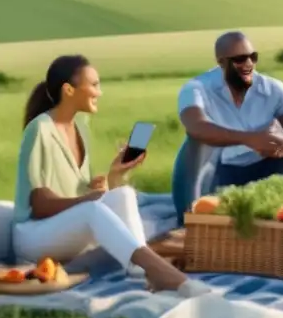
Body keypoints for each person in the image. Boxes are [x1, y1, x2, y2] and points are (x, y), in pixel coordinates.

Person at [11, 54, 193, 294]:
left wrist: (113, 177)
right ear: (68, 90)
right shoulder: (40, 129)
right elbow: (40, 204)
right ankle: (158, 270)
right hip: (33, 235)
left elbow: (77, 196)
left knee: (125, 194)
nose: (100, 92)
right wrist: (89, 199)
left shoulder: (81, 129)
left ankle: (138, 269)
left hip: (64, 229)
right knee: (92, 209)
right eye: (94, 85)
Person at [171, 31, 283, 219]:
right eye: (240, 59)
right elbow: (196, 126)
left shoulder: (273, 89)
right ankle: (189, 217)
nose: (248, 64)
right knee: (199, 141)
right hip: (217, 175)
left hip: (261, 173)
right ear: (221, 62)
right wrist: (250, 139)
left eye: (253, 57)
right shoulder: (197, 88)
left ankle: (267, 208)